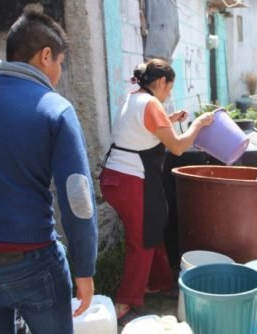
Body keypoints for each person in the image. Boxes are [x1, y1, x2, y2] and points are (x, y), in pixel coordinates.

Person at [0, 7, 98, 334]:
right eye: (61, 63)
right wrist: (84, 268)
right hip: (31, 260)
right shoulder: (55, 109)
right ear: (46, 55)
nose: (60, 72)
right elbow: (77, 196)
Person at [99, 59, 214, 326]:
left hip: (116, 178)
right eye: (169, 88)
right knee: (141, 241)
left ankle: (159, 283)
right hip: (131, 180)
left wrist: (170, 120)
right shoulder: (151, 104)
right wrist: (199, 125)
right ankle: (125, 303)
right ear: (161, 82)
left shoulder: (134, 98)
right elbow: (177, 147)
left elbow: (140, 130)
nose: (169, 94)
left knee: (153, 227)